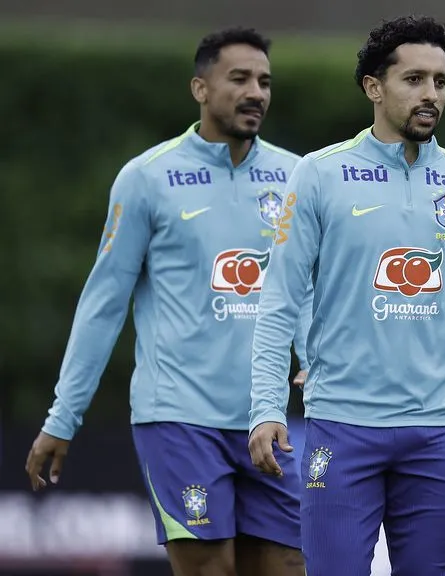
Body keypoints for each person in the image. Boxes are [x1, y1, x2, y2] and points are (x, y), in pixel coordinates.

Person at [246, 15, 445, 576]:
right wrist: (265, 407)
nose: (431, 94)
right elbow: (279, 300)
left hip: (439, 433)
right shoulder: (319, 174)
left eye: (441, 81)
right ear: (373, 87)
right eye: (414, 79)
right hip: (342, 425)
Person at [24, 27, 310, 576]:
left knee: (289, 566)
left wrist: (315, 356)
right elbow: (103, 303)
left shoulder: (296, 177)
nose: (256, 92)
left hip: (265, 422)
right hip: (180, 421)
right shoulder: (147, 179)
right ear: (200, 89)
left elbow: (305, 288)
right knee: (211, 571)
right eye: (240, 78)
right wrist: (64, 416)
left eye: (265, 81)